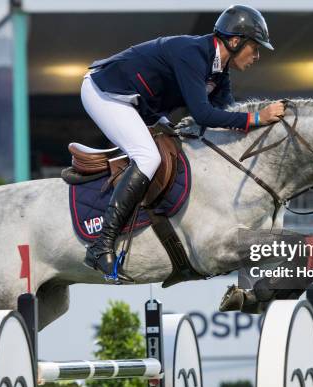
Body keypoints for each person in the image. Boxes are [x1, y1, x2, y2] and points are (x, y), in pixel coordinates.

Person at [81, 4, 285, 282]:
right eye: (255, 47)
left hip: (141, 105)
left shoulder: (220, 73)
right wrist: (258, 117)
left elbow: (225, 120)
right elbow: (202, 115)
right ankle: (101, 244)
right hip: (105, 93)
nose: (257, 56)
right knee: (148, 157)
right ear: (235, 41)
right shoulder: (193, 53)